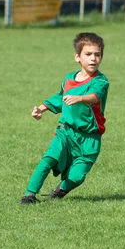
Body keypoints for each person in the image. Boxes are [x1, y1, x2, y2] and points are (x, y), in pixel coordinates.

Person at [20, 32, 109, 205]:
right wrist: (41, 108)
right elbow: (60, 98)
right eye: (88, 54)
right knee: (48, 159)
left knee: (78, 176)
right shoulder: (69, 79)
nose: (93, 59)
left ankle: (60, 190)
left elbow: (94, 97)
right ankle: (29, 195)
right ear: (77, 57)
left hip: (89, 138)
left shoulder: (101, 81)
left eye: (97, 55)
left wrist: (79, 98)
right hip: (65, 132)